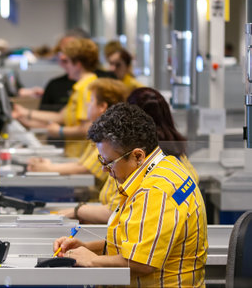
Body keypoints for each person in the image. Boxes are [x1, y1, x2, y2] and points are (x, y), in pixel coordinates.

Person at [54, 103, 207, 287]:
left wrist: (92, 260)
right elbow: (138, 245)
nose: (104, 169)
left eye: (109, 162)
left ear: (138, 156)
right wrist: (87, 248)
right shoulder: (168, 166)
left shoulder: (154, 191)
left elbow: (141, 263)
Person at [63, 87, 199, 224]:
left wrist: (78, 210)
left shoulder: (145, 176)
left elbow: (118, 213)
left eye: (109, 163)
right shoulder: (174, 156)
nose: (105, 169)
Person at [27, 78, 127, 186]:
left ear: (102, 106)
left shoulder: (108, 137)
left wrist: (48, 168)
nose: (88, 104)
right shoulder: (101, 132)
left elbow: (86, 169)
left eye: (92, 100)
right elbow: (81, 164)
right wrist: (49, 165)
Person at [12, 38, 99, 158]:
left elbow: (87, 128)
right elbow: (61, 116)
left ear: (77, 64)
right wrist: (25, 114)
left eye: (66, 61)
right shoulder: (81, 86)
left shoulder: (86, 88)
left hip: (80, 156)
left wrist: (60, 132)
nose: (64, 66)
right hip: (74, 154)